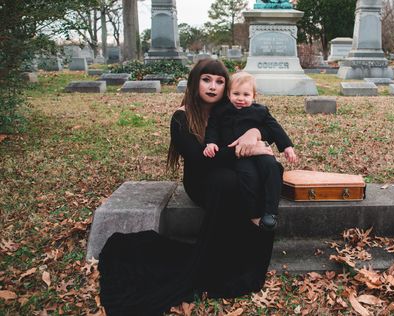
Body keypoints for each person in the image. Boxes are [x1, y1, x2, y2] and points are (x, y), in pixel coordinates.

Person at [98, 59, 277, 315]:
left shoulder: (232, 107)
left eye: (219, 81)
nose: (213, 87)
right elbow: (198, 159)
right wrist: (240, 150)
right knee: (226, 181)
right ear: (195, 82)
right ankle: (219, 258)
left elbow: (265, 124)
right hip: (201, 179)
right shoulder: (181, 116)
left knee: (258, 174)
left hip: (227, 171)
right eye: (206, 80)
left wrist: (254, 134)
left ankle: (251, 244)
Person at [203, 71, 297, 231]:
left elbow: (274, 128)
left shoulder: (260, 111)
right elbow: (213, 127)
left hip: (260, 151)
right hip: (240, 155)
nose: (240, 98)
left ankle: (271, 212)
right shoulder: (221, 111)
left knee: (272, 168)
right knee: (249, 176)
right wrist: (210, 143)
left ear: (254, 95)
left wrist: (287, 146)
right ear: (229, 94)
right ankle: (254, 213)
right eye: (236, 94)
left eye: (246, 94)